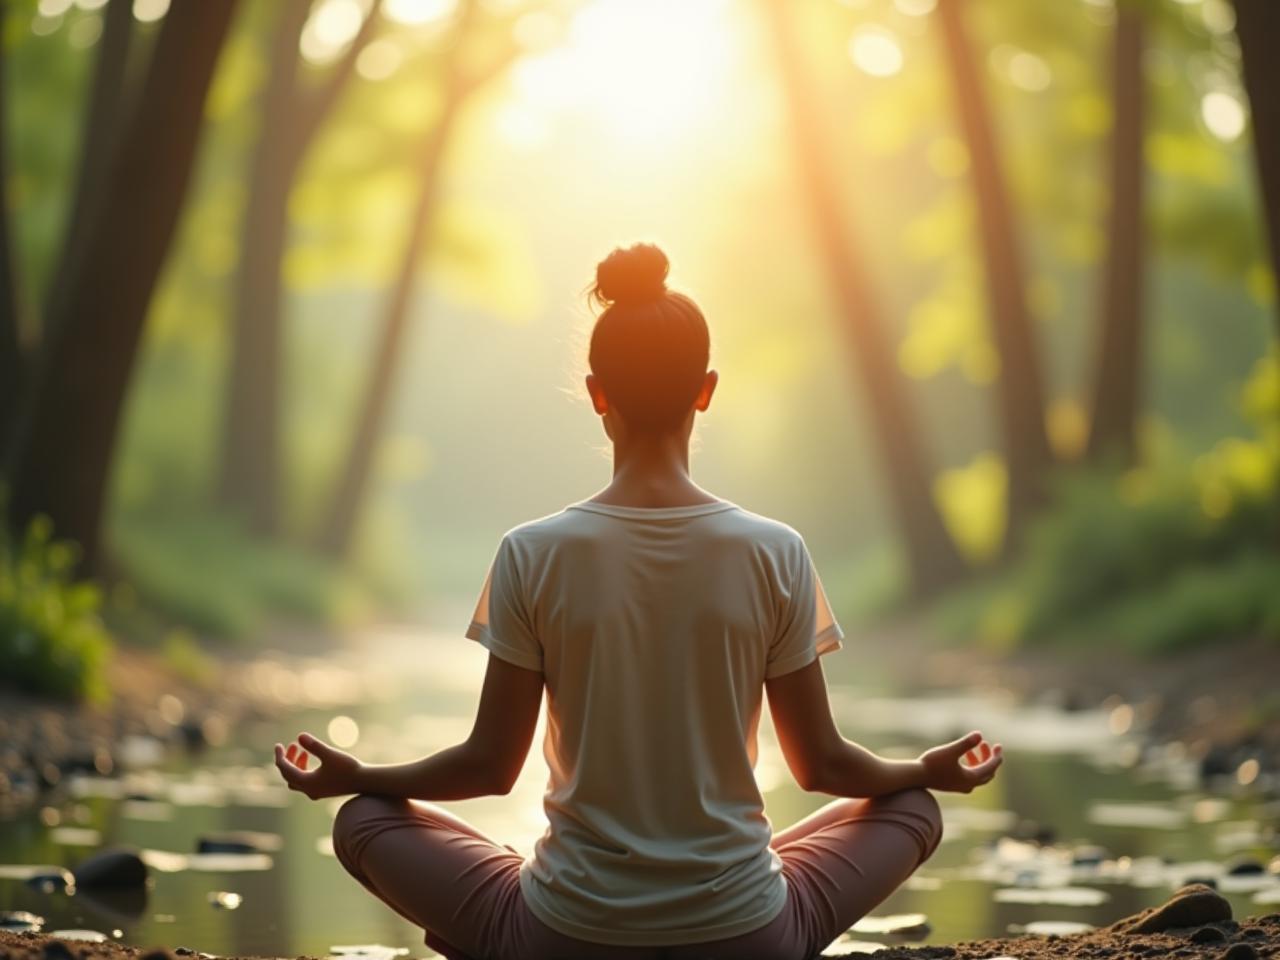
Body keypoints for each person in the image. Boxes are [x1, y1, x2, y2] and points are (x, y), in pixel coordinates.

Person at [273, 243, 1003, 960]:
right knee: (911, 807)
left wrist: (360, 778)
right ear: (706, 389)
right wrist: (926, 770)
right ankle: (735, 893)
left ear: (597, 393)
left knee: (364, 822)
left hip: (565, 937)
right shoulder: (775, 550)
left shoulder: (532, 551)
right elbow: (822, 767)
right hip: (748, 939)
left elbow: (490, 768)